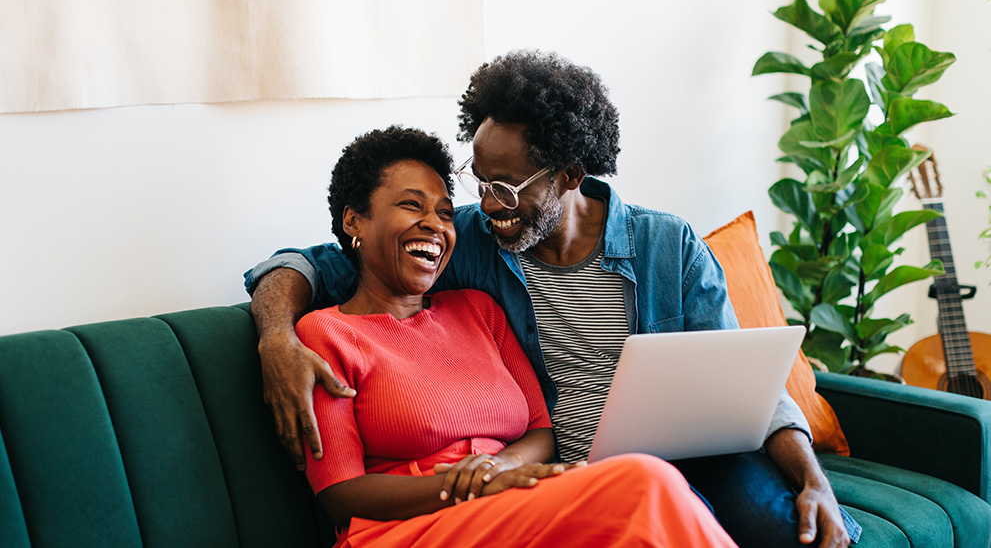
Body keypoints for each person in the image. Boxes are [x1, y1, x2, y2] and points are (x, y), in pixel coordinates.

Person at [245, 51, 860, 548]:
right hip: (567, 474)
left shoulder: (666, 244)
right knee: (654, 500)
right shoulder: (474, 241)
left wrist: (814, 477)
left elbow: (748, 386)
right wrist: (276, 335)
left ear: (569, 173)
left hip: (699, 451)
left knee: (796, 528)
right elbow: (315, 264)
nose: (487, 206)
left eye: (508, 188)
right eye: (481, 184)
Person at [295, 124, 738, 547]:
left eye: (446, 213)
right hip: (411, 527)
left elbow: (541, 428)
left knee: (644, 498)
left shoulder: (477, 309)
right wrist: (471, 485)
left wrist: (501, 467)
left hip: (510, 503)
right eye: (412, 206)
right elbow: (340, 495)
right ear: (354, 220)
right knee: (645, 482)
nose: (435, 224)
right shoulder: (325, 334)